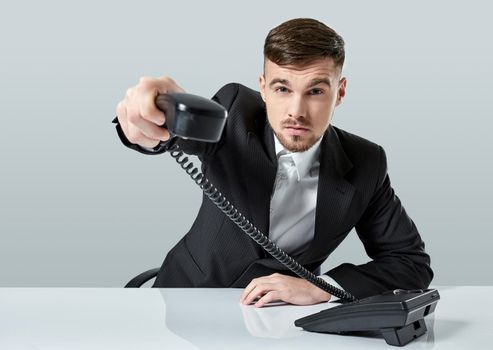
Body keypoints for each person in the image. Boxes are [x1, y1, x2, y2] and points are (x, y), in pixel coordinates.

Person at [113, 18, 433, 307]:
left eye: (316, 91)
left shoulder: (366, 162)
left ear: (340, 93)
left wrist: (321, 287)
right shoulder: (235, 112)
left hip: (281, 321)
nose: (297, 111)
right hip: (187, 298)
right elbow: (169, 136)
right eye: (282, 88)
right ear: (264, 89)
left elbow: (410, 263)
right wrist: (147, 119)